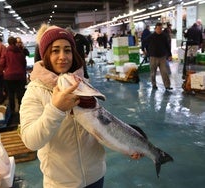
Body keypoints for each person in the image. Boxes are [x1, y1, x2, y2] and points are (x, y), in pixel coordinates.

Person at [19, 25, 142, 188]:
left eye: (67, 50)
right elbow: (30, 141)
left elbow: (99, 126)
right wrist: (56, 109)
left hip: (96, 176)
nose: (63, 56)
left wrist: (129, 143)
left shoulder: (80, 83)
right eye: (55, 50)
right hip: (62, 182)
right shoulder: (35, 91)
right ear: (46, 54)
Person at [142, 22, 173, 90]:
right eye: (158, 29)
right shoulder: (151, 36)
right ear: (155, 29)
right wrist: (143, 50)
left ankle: (167, 86)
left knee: (164, 72)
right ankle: (154, 84)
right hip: (153, 57)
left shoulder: (164, 36)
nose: (159, 30)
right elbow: (143, 41)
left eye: (160, 29)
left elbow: (167, 46)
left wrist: (170, 54)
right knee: (153, 72)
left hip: (162, 57)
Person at [0, 36, 27, 114]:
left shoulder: (5, 52)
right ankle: (21, 109)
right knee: (20, 94)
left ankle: (12, 111)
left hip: (8, 77)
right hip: (20, 76)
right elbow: (24, 63)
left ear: (8, 43)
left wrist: (6, 68)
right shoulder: (20, 52)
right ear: (15, 42)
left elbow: (1, 63)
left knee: (11, 94)